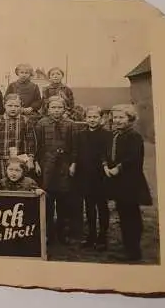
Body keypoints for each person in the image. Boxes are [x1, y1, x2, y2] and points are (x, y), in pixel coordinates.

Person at [104, 104, 152, 262]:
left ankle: (134, 251)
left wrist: (118, 168)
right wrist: (106, 166)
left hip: (130, 182)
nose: (117, 120)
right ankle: (127, 246)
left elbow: (134, 158)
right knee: (123, 213)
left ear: (130, 119)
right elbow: (108, 153)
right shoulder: (115, 135)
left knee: (131, 215)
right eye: (115, 117)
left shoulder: (134, 137)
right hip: (118, 183)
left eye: (121, 117)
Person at [35, 96, 77, 245]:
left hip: (64, 165)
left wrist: (73, 163)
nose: (56, 110)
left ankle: (62, 232)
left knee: (63, 201)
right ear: (48, 109)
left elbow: (74, 147)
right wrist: (36, 162)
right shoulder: (41, 124)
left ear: (64, 109)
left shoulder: (70, 124)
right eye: (53, 107)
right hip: (47, 165)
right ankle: (49, 233)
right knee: (48, 200)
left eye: (59, 107)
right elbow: (37, 146)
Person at [71, 105, 111, 250]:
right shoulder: (80, 135)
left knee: (102, 206)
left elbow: (107, 155)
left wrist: (105, 166)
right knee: (89, 206)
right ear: (85, 118)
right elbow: (76, 151)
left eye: (95, 117)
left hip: (100, 176)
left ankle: (103, 236)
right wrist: (73, 164)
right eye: (89, 117)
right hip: (85, 175)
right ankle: (91, 235)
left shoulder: (107, 135)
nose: (92, 120)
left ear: (101, 119)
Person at [0, 93, 36, 182]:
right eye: (10, 105)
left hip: (21, 160)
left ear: (21, 106)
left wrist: (30, 159)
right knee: (2, 183)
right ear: (4, 105)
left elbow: (31, 142)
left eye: (16, 106)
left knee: (21, 183)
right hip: (2, 160)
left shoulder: (25, 120)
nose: (13, 108)